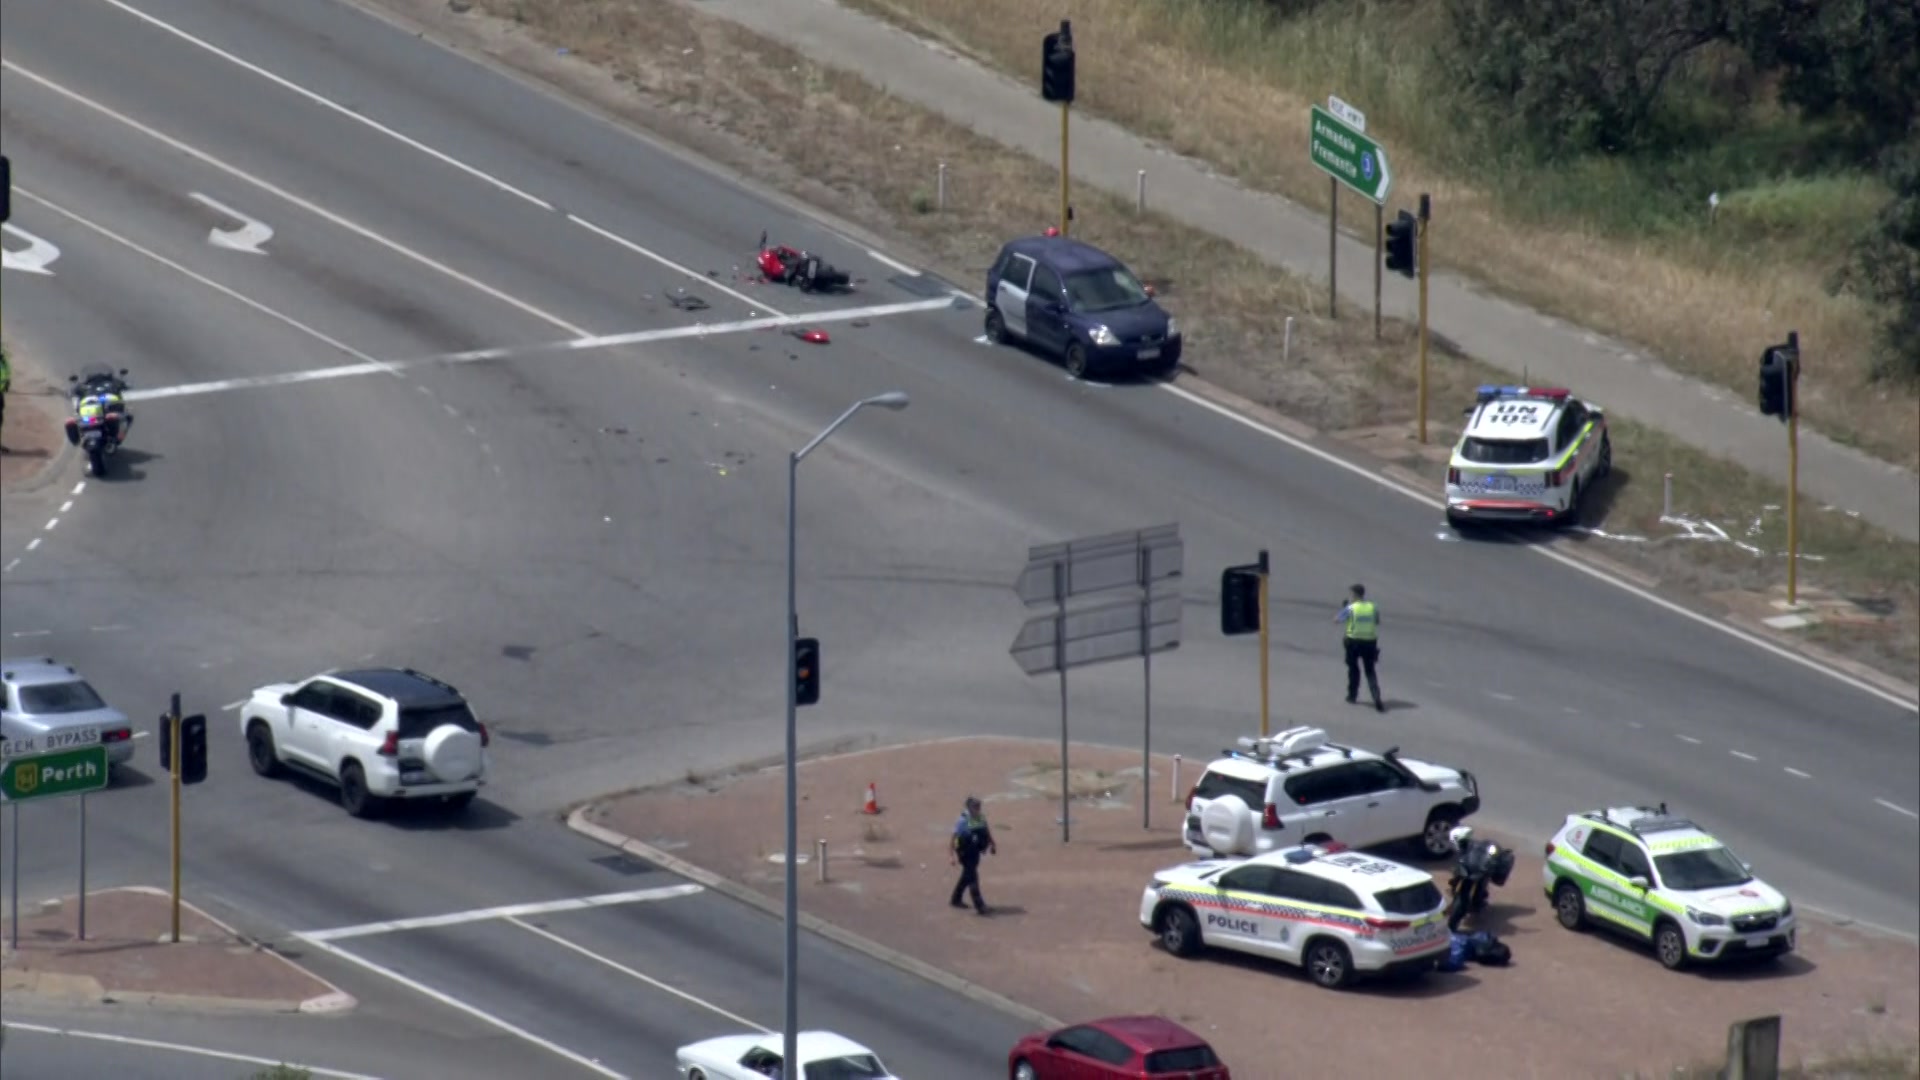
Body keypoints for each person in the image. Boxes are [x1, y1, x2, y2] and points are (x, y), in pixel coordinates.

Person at [1334, 583, 1384, 712]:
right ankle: (1376, 697)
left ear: (1355, 595)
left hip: (1353, 642)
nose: (1350, 596)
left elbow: (1336, 620)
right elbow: (1377, 621)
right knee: (1370, 671)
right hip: (1370, 642)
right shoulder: (1372, 607)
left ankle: (1352, 696)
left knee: (1353, 669)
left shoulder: (1351, 607)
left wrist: (1344, 608)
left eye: (1351, 594)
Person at [949, 795, 997, 915]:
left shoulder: (980, 818)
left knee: (966, 876)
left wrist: (992, 843)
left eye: (979, 806)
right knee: (973, 879)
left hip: (975, 852)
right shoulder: (962, 820)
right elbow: (954, 838)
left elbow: (986, 831)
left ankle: (955, 899)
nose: (978, 809)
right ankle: (980, 906)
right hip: (965, 853)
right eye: (976, 807)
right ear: (969, 808)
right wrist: (951, 856)